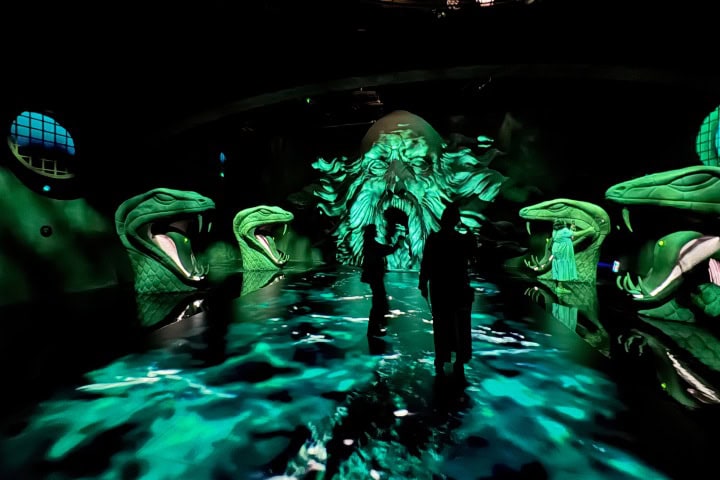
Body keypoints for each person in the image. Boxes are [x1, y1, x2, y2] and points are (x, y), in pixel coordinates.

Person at [418, 203, 476, 382]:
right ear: (456, 220)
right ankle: (459, 360)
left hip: (440, 287)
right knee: (461, 324)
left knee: (441, 324)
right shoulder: (462, 239)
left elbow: (426, 262)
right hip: (459, 287)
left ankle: (441, 359)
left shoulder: (434, 239)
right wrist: (469, 232)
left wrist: (422, 283)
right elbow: (473, 254)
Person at [361, 223, 404, 337]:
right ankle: (374, 328)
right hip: (375, 277)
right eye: (375, 230)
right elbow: (384, 250)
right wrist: (396, 246)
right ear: (372, 232)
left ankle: (377, 325)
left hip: (375, 277)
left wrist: (395, 246)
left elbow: (383, 249)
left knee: (379, 300)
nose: (377, 231)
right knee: (378, 302)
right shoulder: (371, 244)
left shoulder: (369, 243)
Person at [544, 219, 578, 294]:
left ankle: (558, 286)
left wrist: (571, 230)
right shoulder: (563, 230)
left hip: (556, 250)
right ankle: (560, 287)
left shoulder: (555, 231)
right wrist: (588, 230)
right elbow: (574, 235)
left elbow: (570, 238)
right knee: (561, 267)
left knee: (558, 266)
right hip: (560, 251)